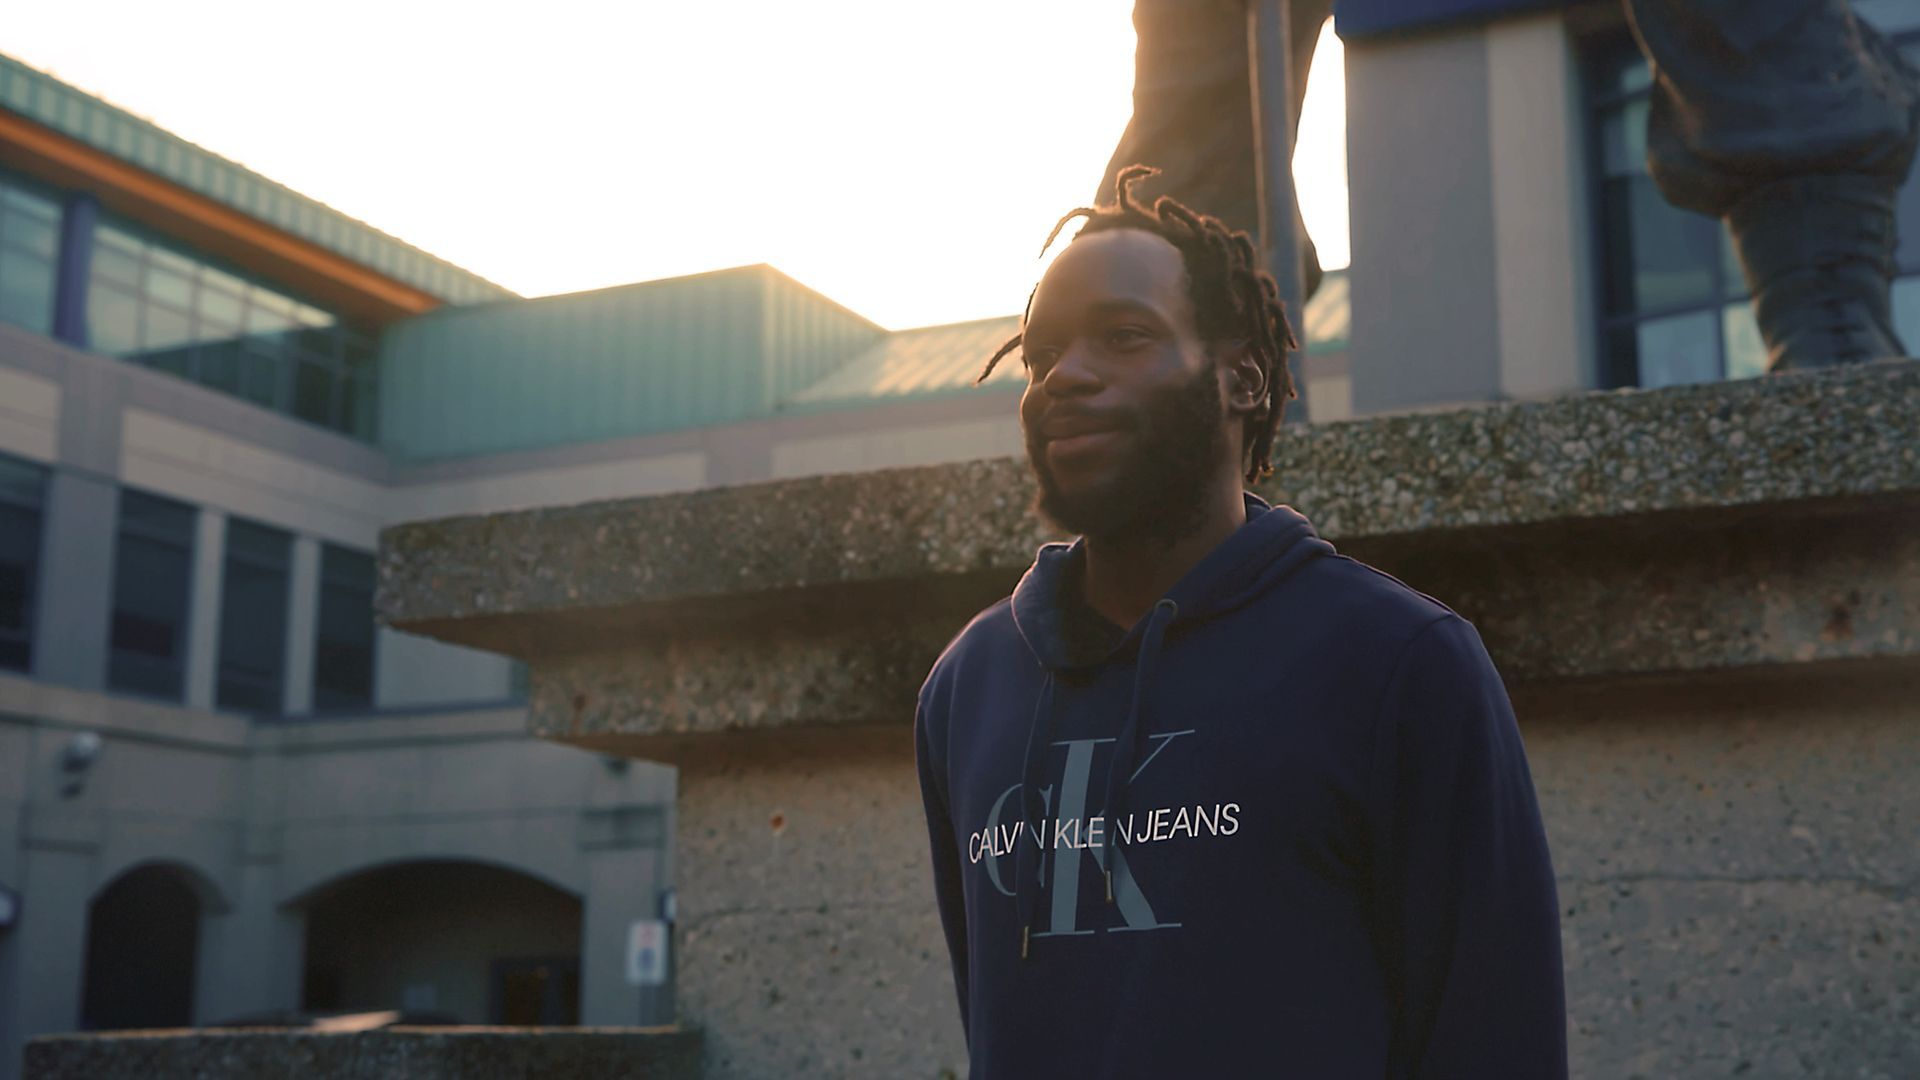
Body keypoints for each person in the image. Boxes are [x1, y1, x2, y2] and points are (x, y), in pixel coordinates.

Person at [913, 166, 1567, 1078]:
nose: (1066, 376)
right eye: (1042, 354)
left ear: (1244, 379)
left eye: (1124, 336)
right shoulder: (968, 686)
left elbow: (1497, 1040)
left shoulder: (1396, 661)